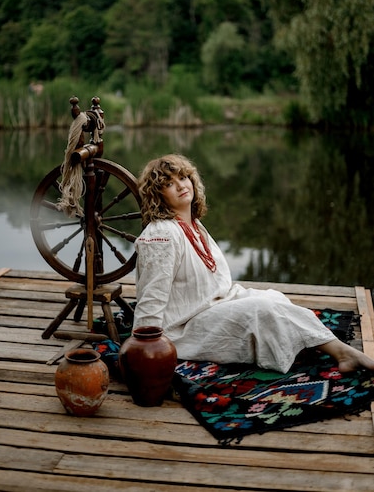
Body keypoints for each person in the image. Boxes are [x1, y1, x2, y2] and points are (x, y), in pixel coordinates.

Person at [132, 153, 374, 374]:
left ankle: (313, 343)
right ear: (158, 195)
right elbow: (151, 298)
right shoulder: (160, 235)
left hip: (213, 305)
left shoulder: (192, 224)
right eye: (168, 183)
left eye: (183, 177)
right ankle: (344, 352)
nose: (181, 185)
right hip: (183, 329)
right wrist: (145, 349)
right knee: (262, 309)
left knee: (274, 298)